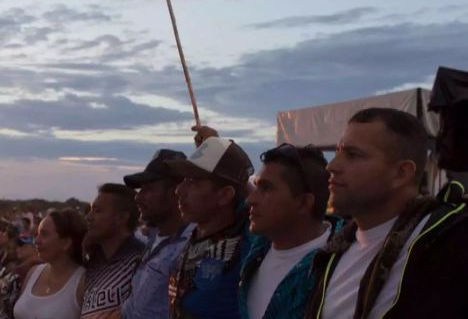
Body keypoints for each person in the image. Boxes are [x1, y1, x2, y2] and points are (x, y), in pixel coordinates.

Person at [305, 108, 468, 318]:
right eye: (337, 152)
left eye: (353, 155)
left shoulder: (451, 247)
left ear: (401, 173)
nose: (333, 166)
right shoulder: (331, 254)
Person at [239, 143, 338, 319]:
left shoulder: (337, 266)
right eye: (256, 186)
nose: (250, 199)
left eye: (266, 188)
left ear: (303, 203)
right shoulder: (257, 250)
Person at [168, 134, 254, 319]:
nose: (179, 191)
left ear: (224, 195)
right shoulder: (193, 234)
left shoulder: (250, 244)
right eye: (184, 180)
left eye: (194, 182)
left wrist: (228, 158)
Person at [122, 149, 195, 319]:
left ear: (176, 192)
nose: (138, 197)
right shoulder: (152, 237)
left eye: (148, 189)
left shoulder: (194, 246)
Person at [81, 183, 144, 319]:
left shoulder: (141, 260)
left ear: (121, 218)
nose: (88, 217)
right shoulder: (93, 256)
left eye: (97, 211)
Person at [12, 209, 86, 319]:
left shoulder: (82, 282)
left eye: (44, 234)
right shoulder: (33, 273)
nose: (36, 241)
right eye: (37, 234)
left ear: (66, 243)